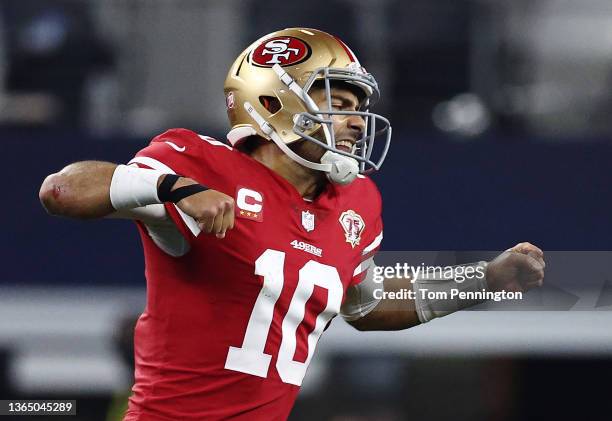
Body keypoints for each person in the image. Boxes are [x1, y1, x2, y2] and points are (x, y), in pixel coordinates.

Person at [39, 28, 545, 420]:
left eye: (359, 110)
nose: (355, 123)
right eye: (338, 103)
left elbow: (365, 305)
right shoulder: (200, 162)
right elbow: (63, 190)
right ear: (273, 101)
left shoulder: (356, 204)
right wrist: (178, 190)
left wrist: (484, 282)